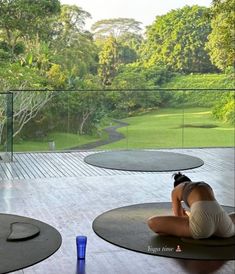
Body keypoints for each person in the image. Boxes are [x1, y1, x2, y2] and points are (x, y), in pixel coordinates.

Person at [148, 172, 235, 239]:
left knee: (152, 222)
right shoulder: (205, 185)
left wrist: (185, 214)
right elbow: (208, 209)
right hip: (225, 227)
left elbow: (178, 216)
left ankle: (208, 231)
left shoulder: (176, 190)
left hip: (202, 228)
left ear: (176, 186)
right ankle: (213, 231)